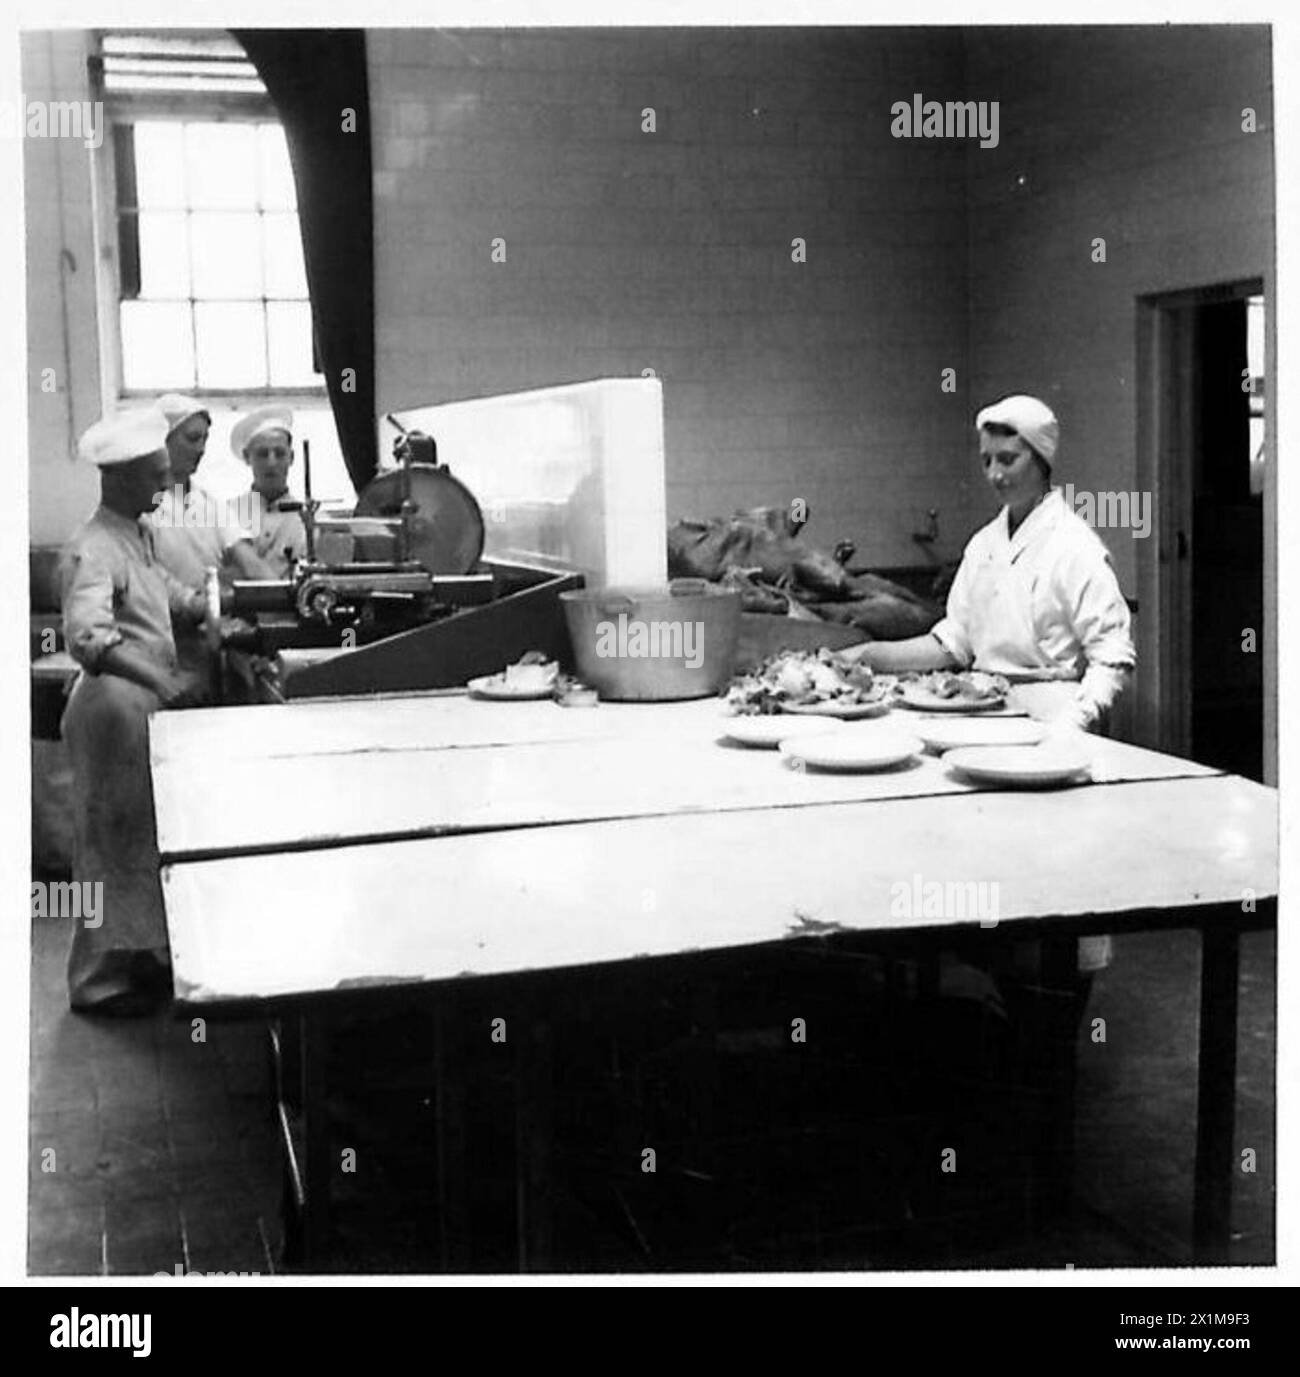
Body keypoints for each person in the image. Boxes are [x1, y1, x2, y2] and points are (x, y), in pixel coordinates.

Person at [846, 394, 1135, 731]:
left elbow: (1113, 658)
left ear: (1041, 461)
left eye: (1007, 460)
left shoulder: (1075, 546)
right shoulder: (984, 544)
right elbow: (954, 643)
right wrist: (866, 656)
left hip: (1052, 714)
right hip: (984, 708)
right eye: (987, 461)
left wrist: (1074, 723)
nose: (995, 475)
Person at [59, 410, 210, 1015]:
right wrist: (163, 681)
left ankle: (139, 958)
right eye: (156, 475)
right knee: (103, 840)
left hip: (138, 707)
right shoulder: (91, 548)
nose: (165, 485)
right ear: (119, 478)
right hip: (111, 709)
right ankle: (94, 982)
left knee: (140, 839)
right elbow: (88, 639)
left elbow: (161, 593)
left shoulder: (135, 532)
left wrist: (213, 608)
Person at [151, 393, 278, 589]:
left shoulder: (211, 505)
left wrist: (286, 594)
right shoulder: (145, 505)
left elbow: (251, 564)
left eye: (204, 439)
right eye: (192, 439)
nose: (201, 449)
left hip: (211, 614)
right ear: (163, 439)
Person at [232, 404, 307, 578]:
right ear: (247, 457)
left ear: (291, 458)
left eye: (279, 453)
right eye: (262, 454)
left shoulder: (307, 521)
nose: (271, 463)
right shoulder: (228, 515)